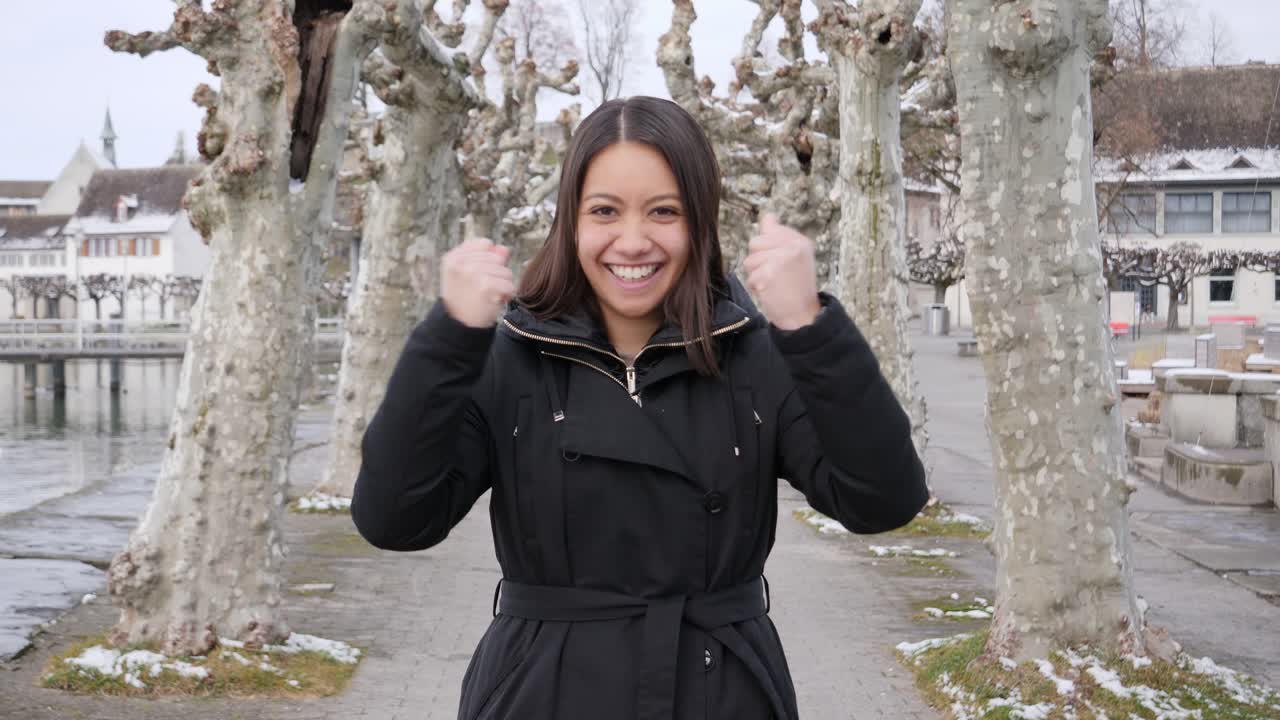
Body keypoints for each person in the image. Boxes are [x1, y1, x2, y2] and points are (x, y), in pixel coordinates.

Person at [351, 96, 928, 720]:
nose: (632, 241)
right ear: (570, 221)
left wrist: (809, 328)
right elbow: (394, 520)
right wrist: (448, 339)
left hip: (720, 691)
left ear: (700, 222)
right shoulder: (508, 359)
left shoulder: (754, 356)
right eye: (604, 211)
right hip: (541, 692)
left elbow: (882, 501)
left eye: (664, 212)